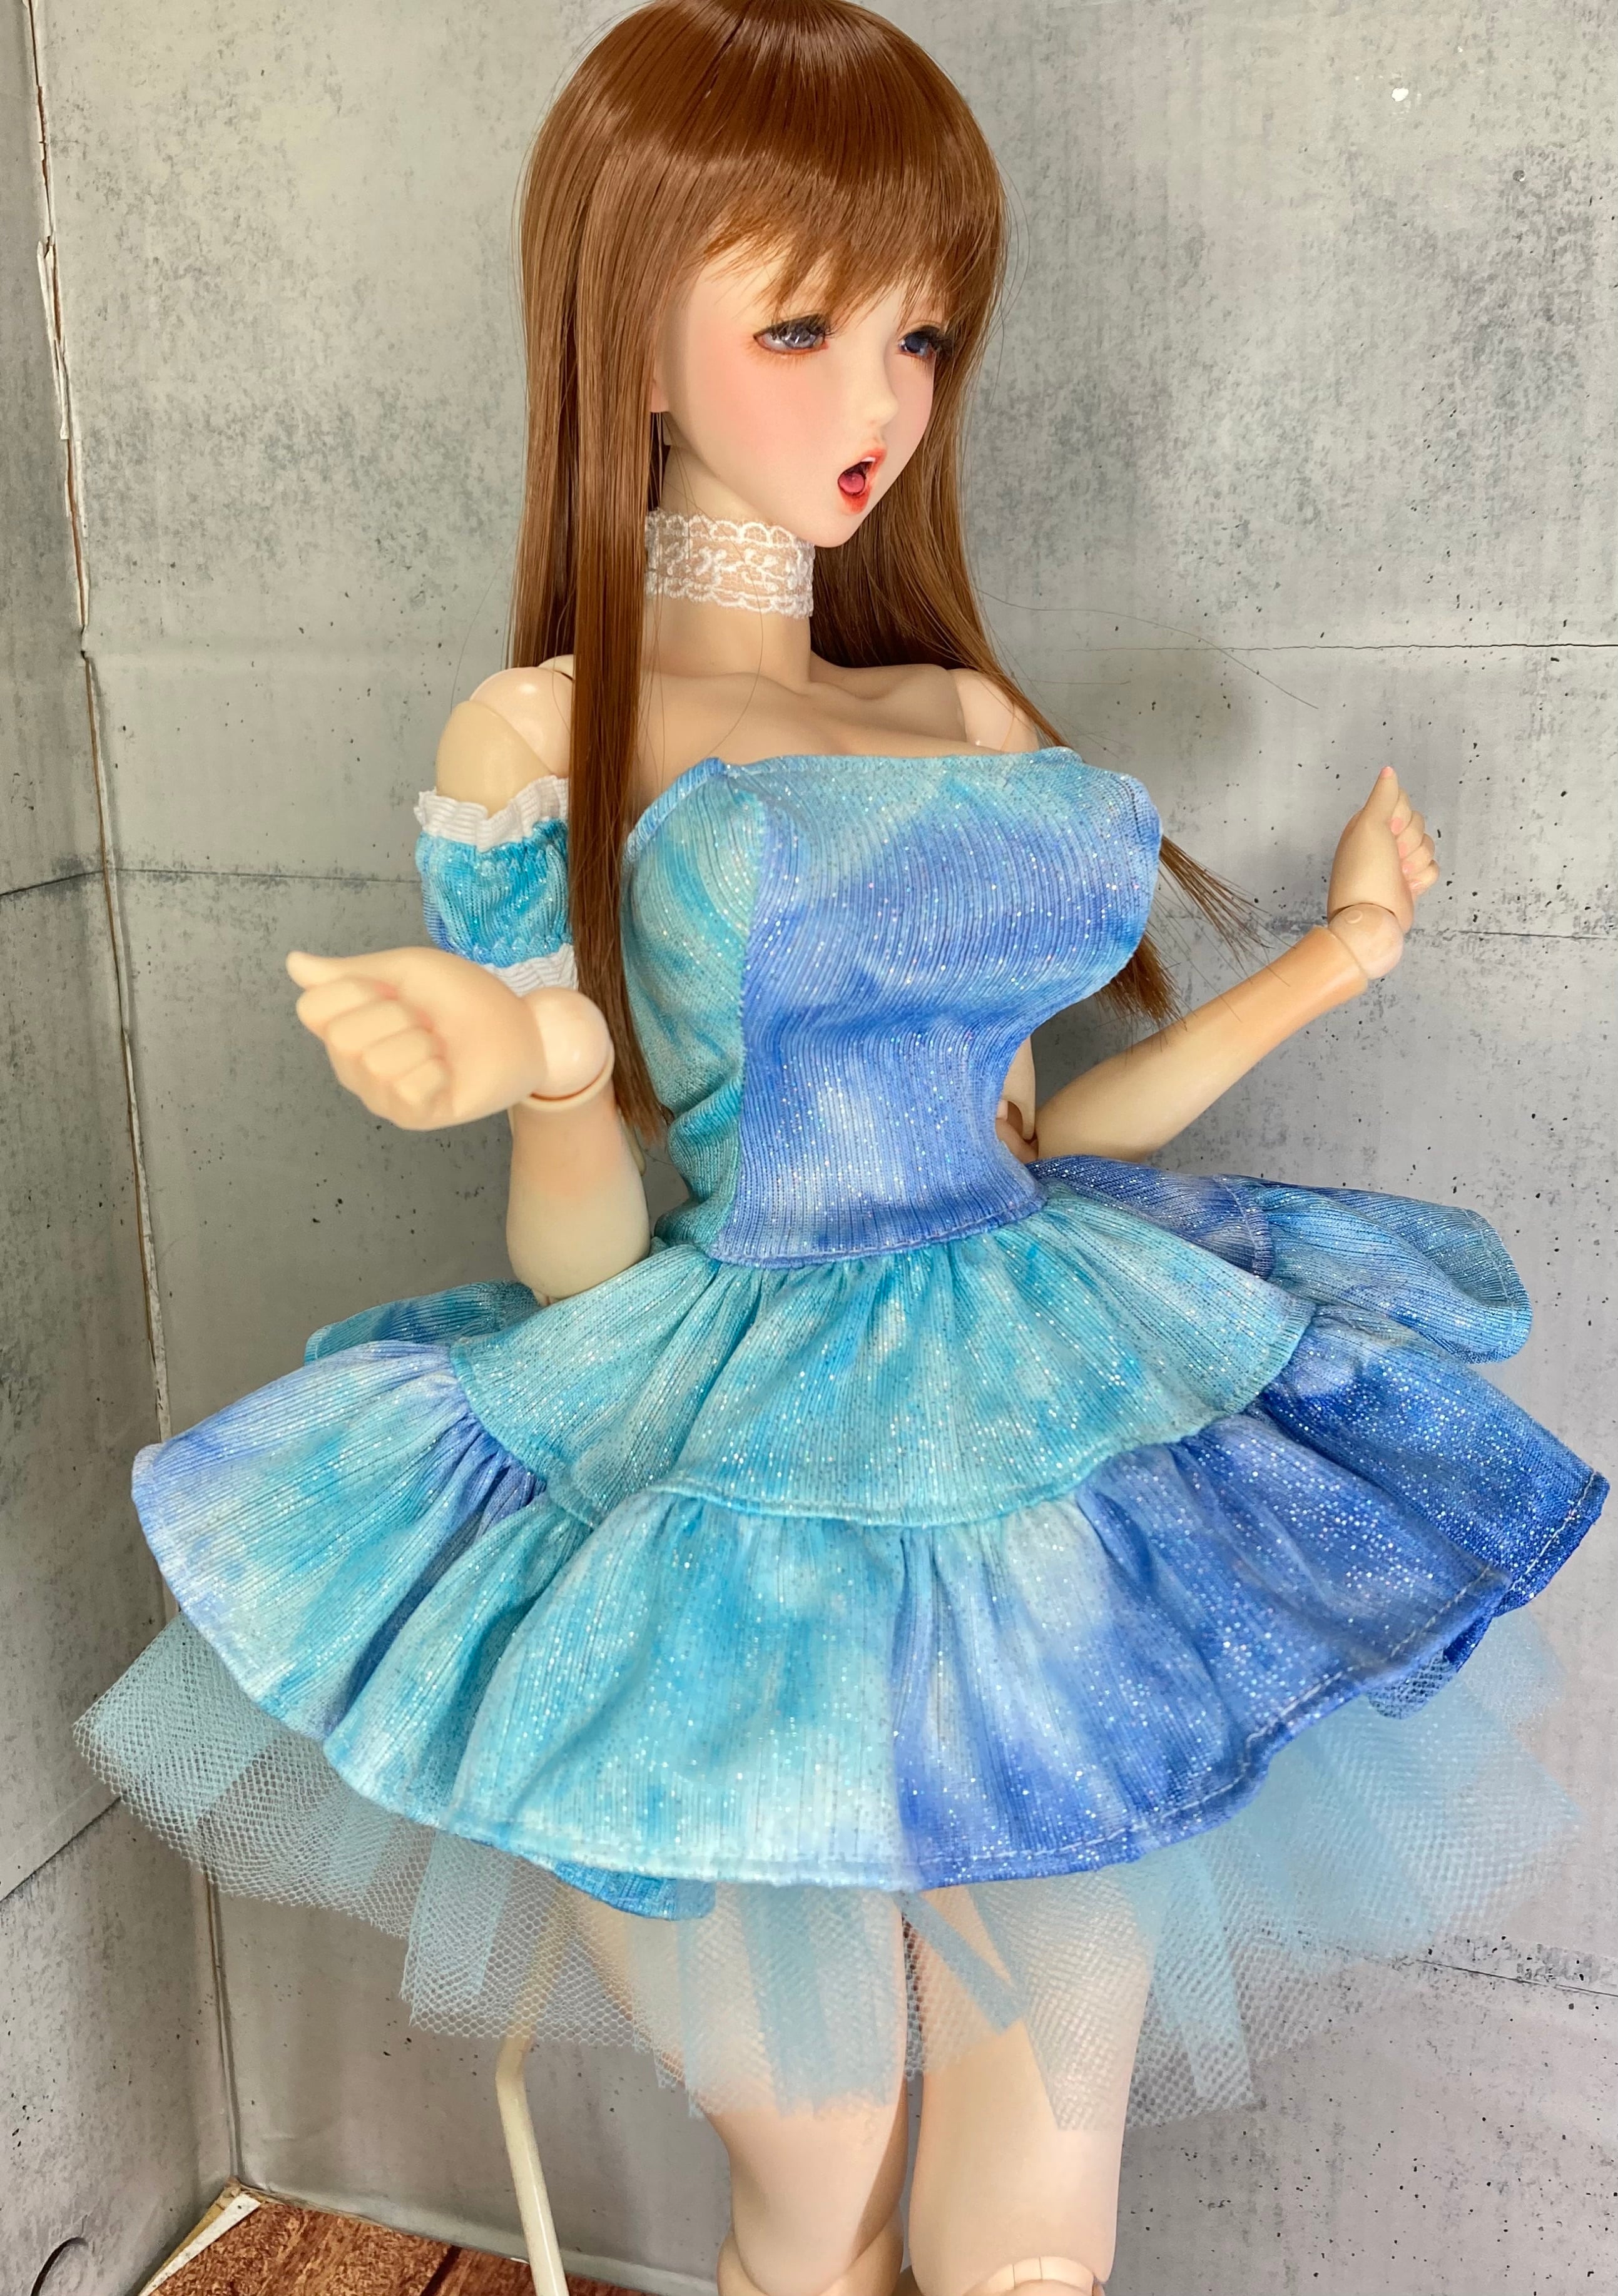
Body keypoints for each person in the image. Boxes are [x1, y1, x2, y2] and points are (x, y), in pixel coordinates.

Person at [79, 5, 1606, 2292]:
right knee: (818, 2179)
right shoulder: (543, 736)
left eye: (920, 333)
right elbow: (589, 1273)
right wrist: (553, 1067)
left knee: (1034, 2213)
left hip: (1043, 1404)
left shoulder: (962, 717)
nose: (877, 402)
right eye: (799, 327)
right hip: (733, 1435)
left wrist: (1331, 962)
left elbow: (1036, 1129)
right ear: (631, 338)